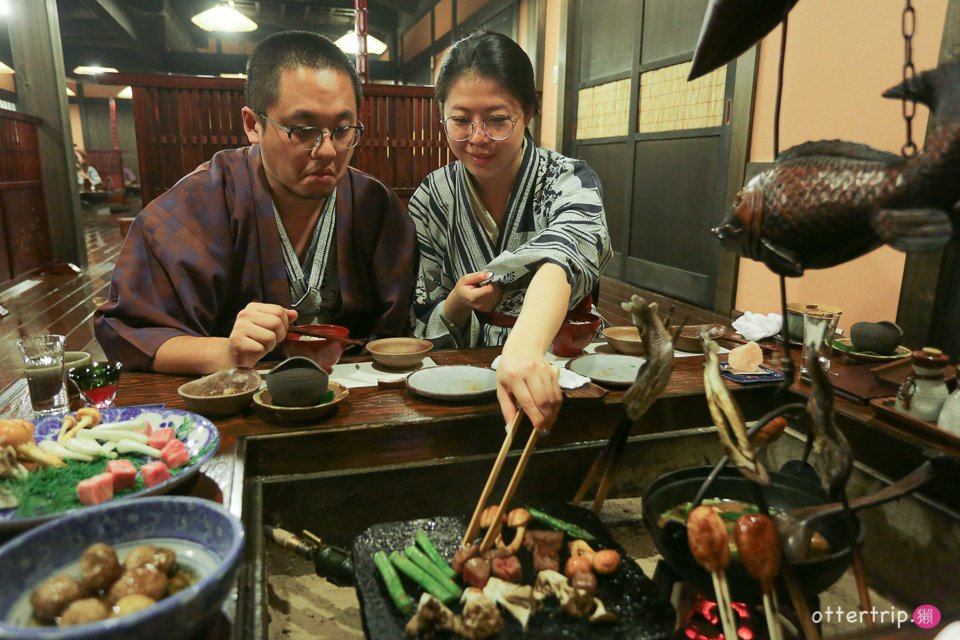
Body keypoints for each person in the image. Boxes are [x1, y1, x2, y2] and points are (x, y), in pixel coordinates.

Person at [95, 31, 417, 374]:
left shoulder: (373, 203)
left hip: (355, 394)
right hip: (232, 397)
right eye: (303, 129)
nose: (327, 150)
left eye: (342, 129)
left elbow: (399, 327)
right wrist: (227, 353)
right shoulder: (201, 203)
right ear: (253, 125)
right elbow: (131, 330)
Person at [409, 30, 611, 433]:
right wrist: (456, 302)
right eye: (461, 121)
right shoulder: (432, 196)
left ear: (529, 112)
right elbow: (421, 318)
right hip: (465, 378)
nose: (478, 138)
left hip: (557, 369)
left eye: (498, 120)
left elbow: (569, 249)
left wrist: (524, 347)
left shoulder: (567, 178)